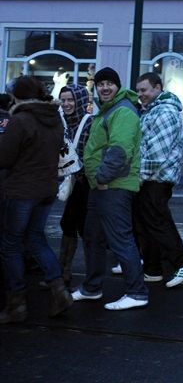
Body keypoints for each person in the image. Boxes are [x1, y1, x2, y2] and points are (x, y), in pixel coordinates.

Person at [72, 67, 147, 311]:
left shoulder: (122, 110)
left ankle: (137, 292)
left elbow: (120, 150)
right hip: (100, 185)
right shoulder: (108, 110)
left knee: (121, 239)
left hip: (113, 185)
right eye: (100, 83)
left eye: (109, 84)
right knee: (93, 236)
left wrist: (103, 177)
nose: (104, 87)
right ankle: (92, 288)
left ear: (118, 86)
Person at [0, 76, 73, 322]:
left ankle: (16, 304)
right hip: (46, 189)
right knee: (36, 239)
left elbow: (5, 158)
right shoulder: (54, 119)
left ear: (17, 96)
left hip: (21, 190)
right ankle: (59, 290)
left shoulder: (21, 120)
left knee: (10, 245)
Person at [133, 72, 183, 287]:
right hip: (152, 178)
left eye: (144, 89)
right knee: (147, 223)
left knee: (157, 222)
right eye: (139, 90)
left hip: (156, 179)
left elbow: (156, 153)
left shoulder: (164, 112)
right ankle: (152, 269)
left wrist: (139, 177)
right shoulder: (153, 111)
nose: (140, 94)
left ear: (158, 87)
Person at [57, 84, 93, 284]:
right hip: (71, 180)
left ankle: (90, 277)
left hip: (85, 182)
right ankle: (64, 272)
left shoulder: (90, 122)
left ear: (80, 100)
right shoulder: (62, 122)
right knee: (69, 224)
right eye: (63, 100)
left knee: (85, 227)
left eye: (70, 99)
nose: (66, 104)